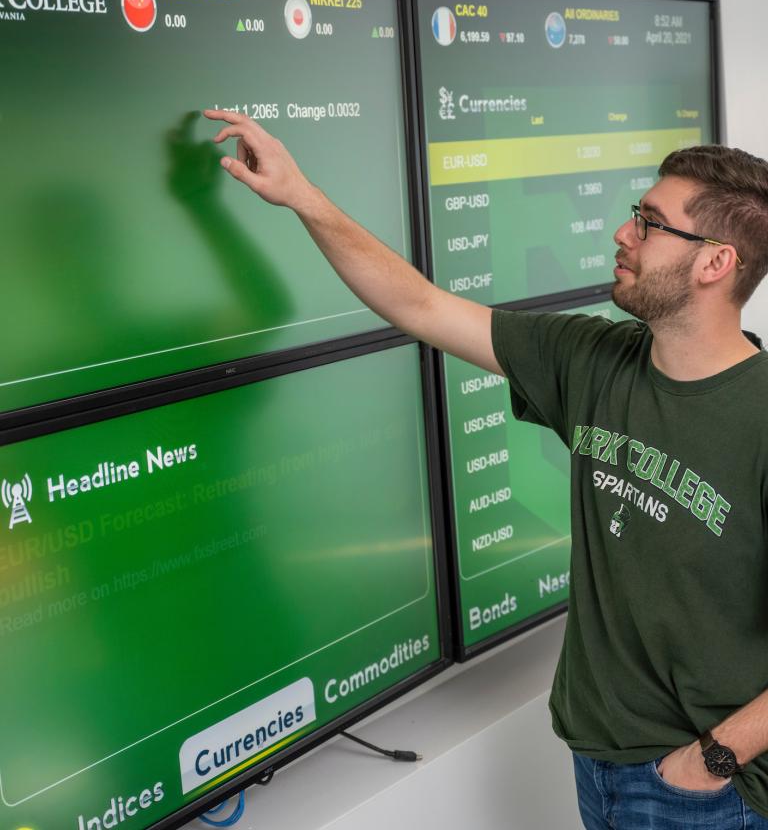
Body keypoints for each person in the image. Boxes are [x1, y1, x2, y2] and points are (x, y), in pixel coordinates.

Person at [204, 109, 768, 829]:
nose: (624, 233)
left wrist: (710, 762)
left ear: (716, 262)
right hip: (596, 757)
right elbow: (419, 304)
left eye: (651, 223)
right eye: (635, 214)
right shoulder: (590, 358)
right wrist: (303, 196)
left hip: (705, 791)